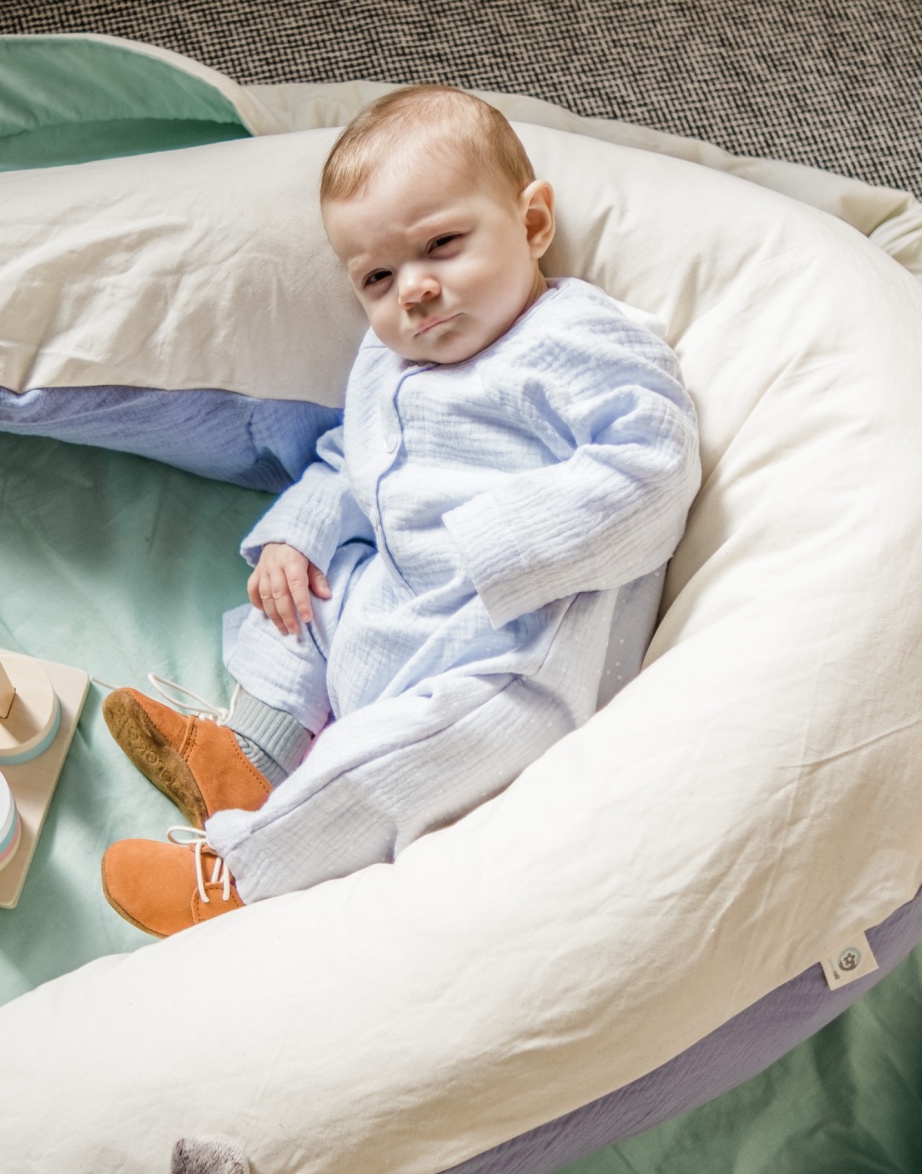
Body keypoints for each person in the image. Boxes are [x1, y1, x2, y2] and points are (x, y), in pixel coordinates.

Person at [98, 84, 700, 936]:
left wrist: (503, 538)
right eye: (378, 278)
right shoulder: (387, 360)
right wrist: (299, 536)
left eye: (442, 246)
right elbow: (352, 457)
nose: (412, 291)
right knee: (303, 589)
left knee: (407, 758)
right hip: (394, 601)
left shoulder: (576, 338)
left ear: (532, 224)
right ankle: (251, 752)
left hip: (508, 649)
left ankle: (245, 874)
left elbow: (655, 461)